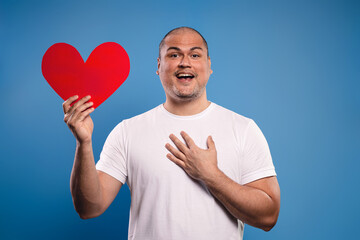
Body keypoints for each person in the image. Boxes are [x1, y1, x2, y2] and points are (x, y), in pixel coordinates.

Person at [62, 27, 280, 240]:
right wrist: (84, 143)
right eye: (174, 54)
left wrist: (211, 175)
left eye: (195, 54)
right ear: (159, 65)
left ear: (208, 65)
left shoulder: (243, 129)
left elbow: (268, 216)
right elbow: (89, 208)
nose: (185, 62)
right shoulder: (127, 131)